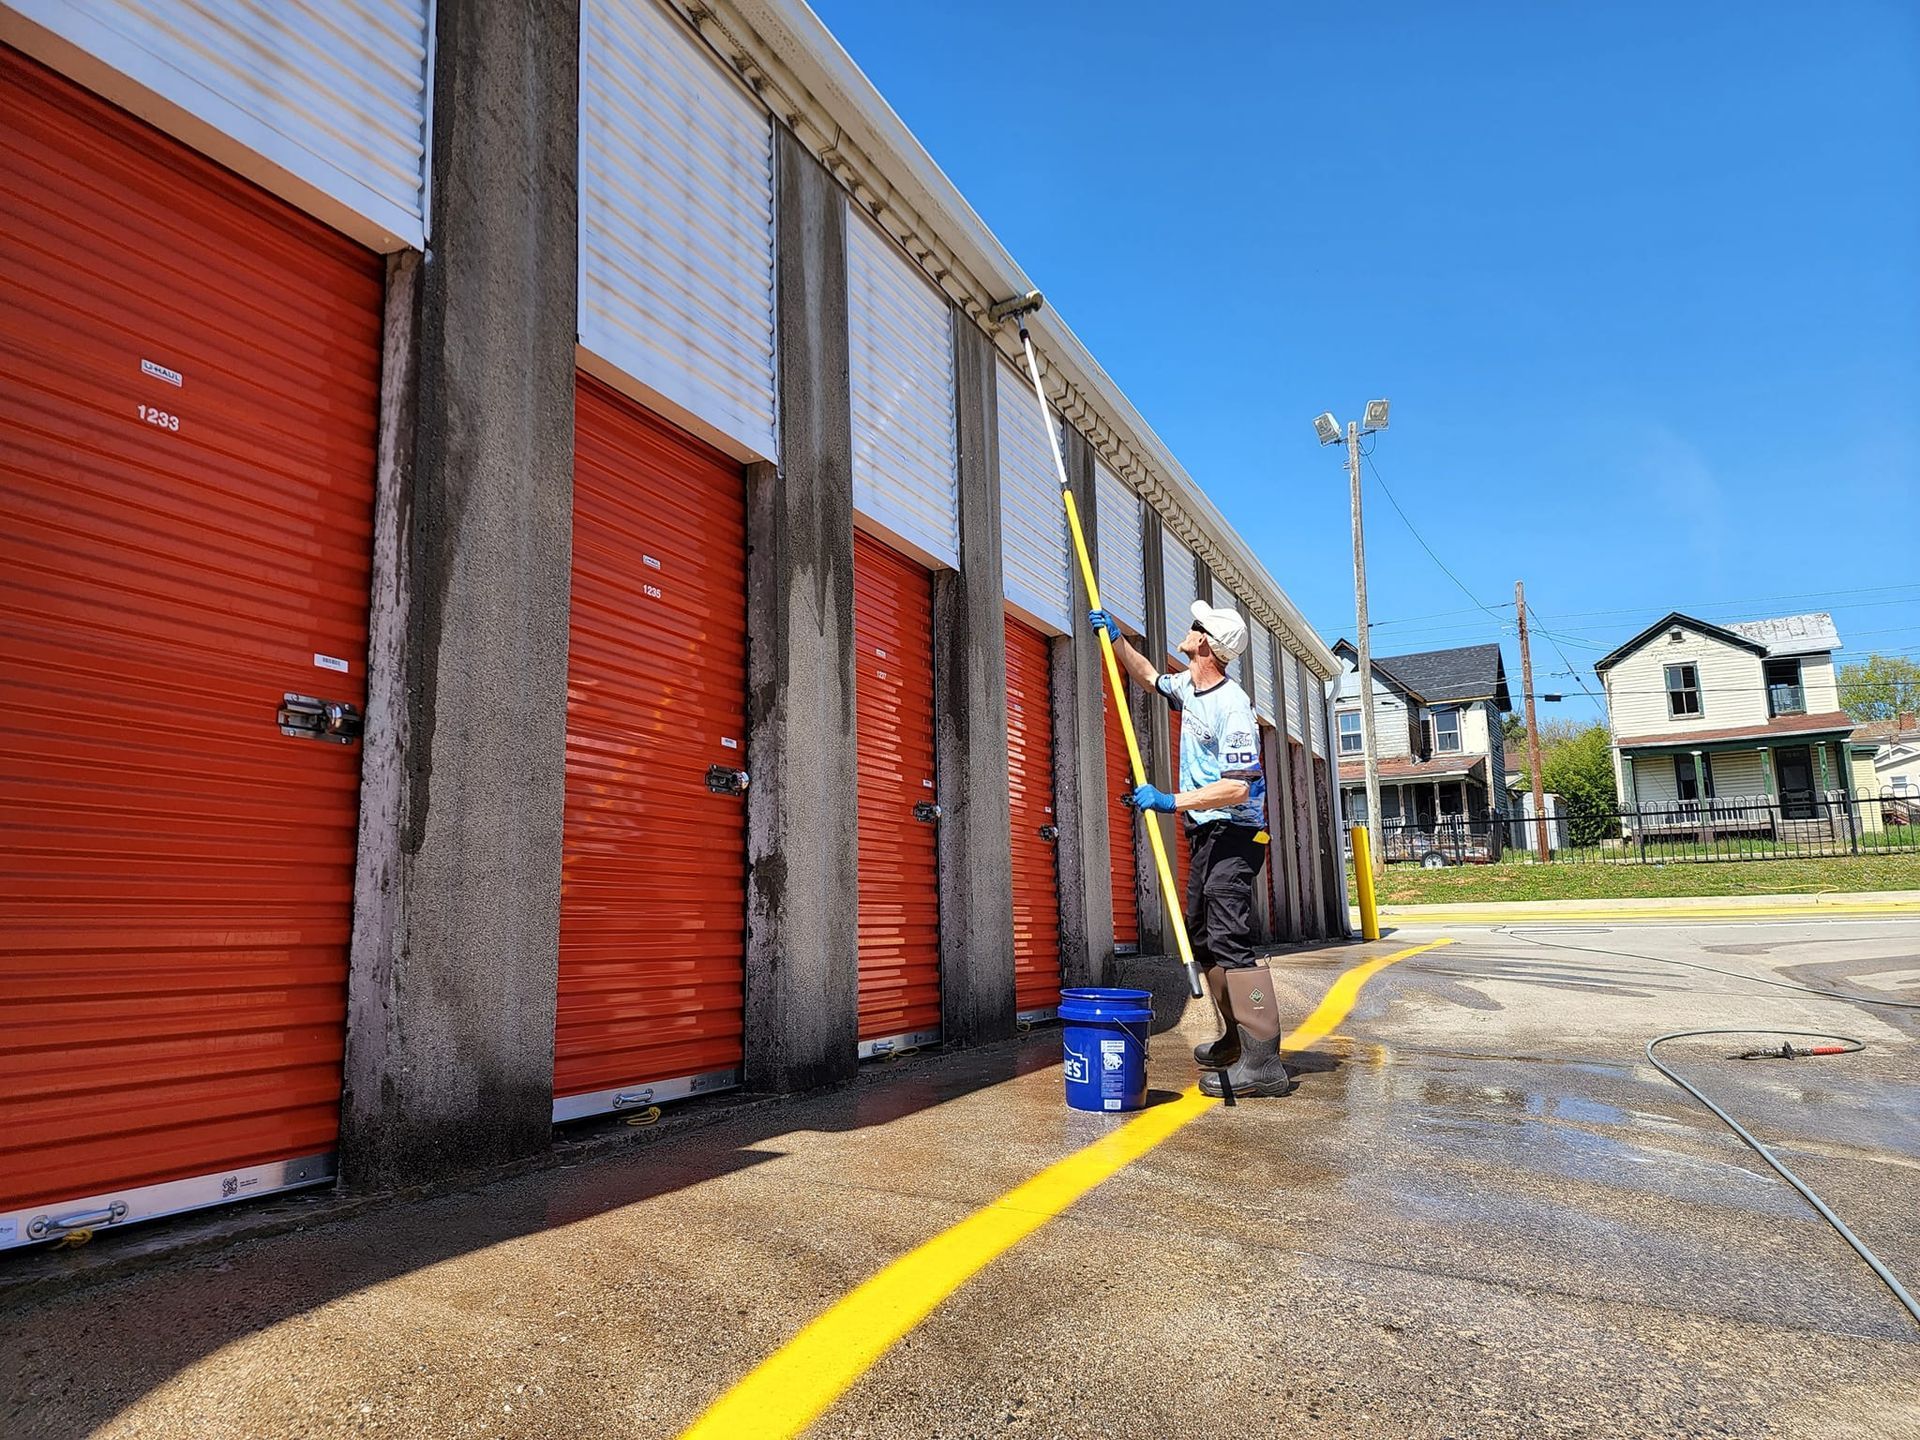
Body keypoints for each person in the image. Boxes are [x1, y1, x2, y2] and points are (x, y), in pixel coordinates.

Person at [1088, 600, 1291, 1097]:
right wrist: (1116, 640)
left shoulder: (1232, 705)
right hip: (1206, 835)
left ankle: (1263, 1062)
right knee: (1202, 940)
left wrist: (1169, 800)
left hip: (1237, 835)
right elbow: (1151, 678)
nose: (1187, 627)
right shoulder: (1192, 687)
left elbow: (1239, 787)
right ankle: (1237, 1039)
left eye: (1194, 625)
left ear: (1204, 643)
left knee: (1229, 942)